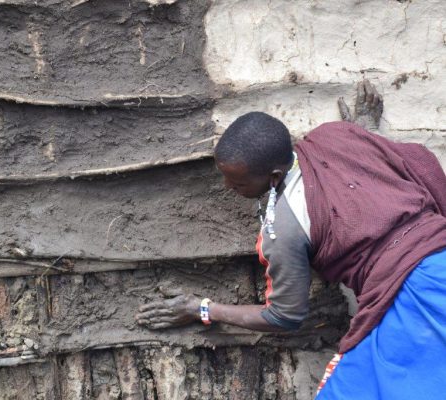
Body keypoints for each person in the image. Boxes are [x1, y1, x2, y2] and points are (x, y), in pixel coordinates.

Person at [136, 80, 446, 399]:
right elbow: (408, 163)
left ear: (272, 177)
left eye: (237, 181)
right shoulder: (337, 135)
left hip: (414, 294)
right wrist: (366, 133)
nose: (228, 186)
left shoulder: (283, 228)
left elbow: (283, 316)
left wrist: (200, 308)